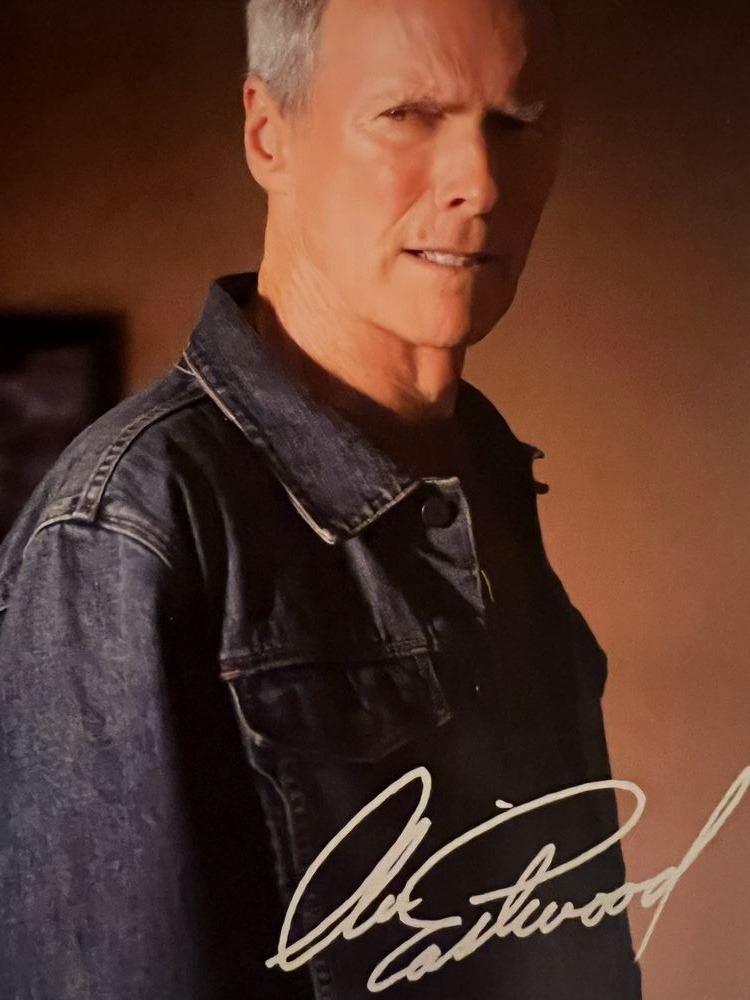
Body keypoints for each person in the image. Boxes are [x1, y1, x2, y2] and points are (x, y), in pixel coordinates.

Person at [0, 0, 643, 997]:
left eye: (516, 121)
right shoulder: (129, 528)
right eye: (408, 114)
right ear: (269, 134)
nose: (480, 182)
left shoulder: (484, 478)